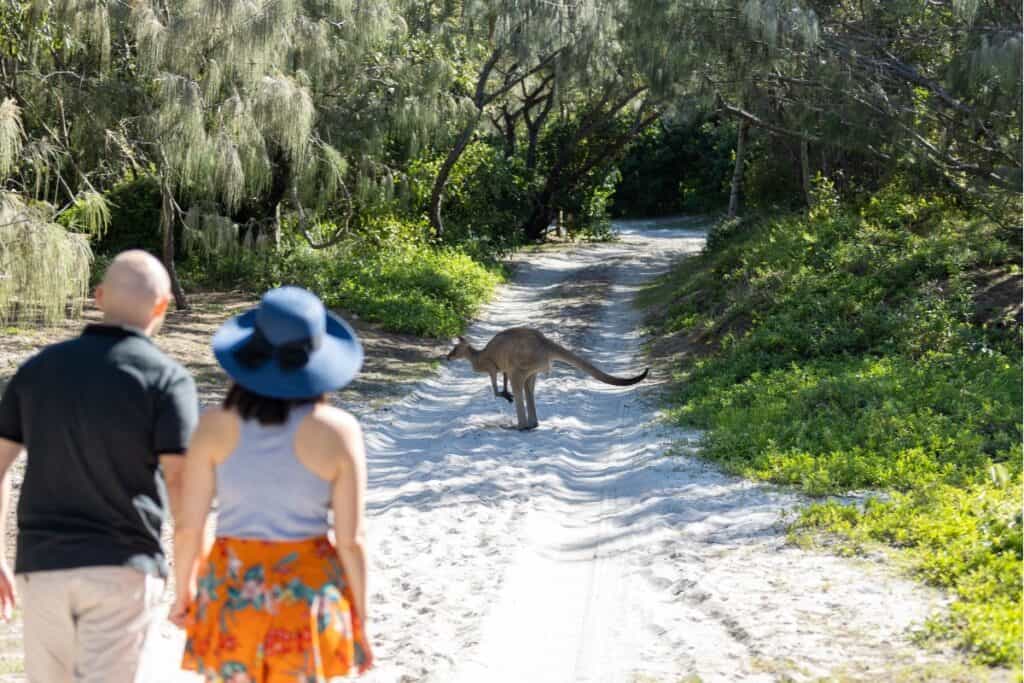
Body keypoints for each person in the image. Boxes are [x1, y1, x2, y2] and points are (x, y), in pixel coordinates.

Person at [0, 250, 199, 683]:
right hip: (123, 568)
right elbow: (183, 484)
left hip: (41, 567)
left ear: (99, 296)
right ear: (163, 306)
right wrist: (188, 580)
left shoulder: (36, 371)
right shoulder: (166, 379)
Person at [170, 285, 373, 681]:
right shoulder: (338, 431)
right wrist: (361, 621)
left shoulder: (213, 425)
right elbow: (352, 540)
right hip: (308, 593)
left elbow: (188, 528)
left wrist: (184, 594)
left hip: (231, 589)